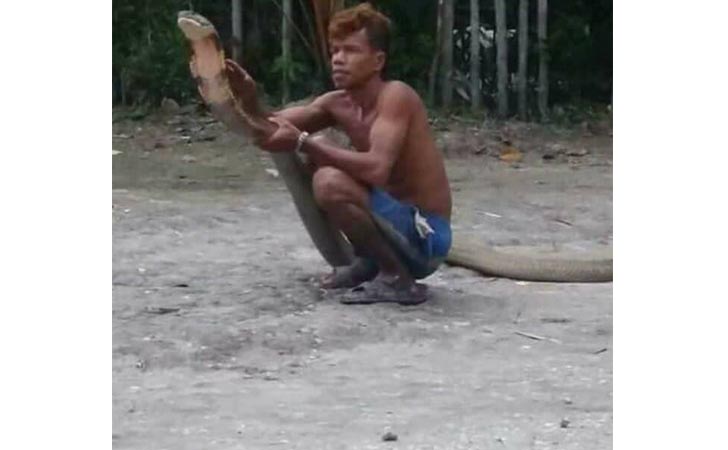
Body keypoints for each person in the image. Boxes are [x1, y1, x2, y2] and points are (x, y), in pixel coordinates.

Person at [226, 2, 452, 304]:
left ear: (378, 60)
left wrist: (307, 142)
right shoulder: (335, 103)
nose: (338, 59)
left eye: (350, 51)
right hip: (392, 225)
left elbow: (376, 169)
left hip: (426, 238)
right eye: (335, 51)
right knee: (316, 164)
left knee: (329, 180)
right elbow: (271, 129)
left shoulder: (396, 97)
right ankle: (372, 264)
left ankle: (398, 279)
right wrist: (247, 100)